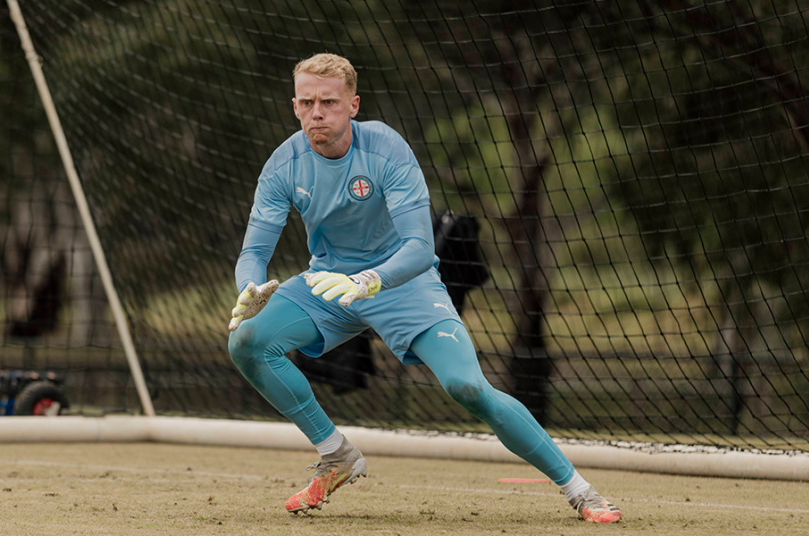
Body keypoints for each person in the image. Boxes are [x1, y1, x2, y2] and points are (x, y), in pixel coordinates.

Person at [227, 52, 621, 524]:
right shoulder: (282, 165)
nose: (317, 113)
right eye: (307, 102)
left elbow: (418, 248)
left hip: (401, 283)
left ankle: (581, 491)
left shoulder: (386, 148)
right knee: (246, 341)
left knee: (466, 386)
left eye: (328, 102)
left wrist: (369, 279)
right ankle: (337, 454)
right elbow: (254, 251)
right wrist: (248, 288)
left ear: (353, 105)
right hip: (329, 286)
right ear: (294, 106)